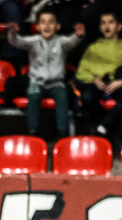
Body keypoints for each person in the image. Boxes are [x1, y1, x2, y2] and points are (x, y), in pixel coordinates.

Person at [8, 7, 85, 139]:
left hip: (57, 83)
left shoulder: (62, 42)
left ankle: (62, 132)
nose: (47, 26)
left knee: (63, 97)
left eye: (51, 22)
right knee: (33, 96)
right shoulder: (33, 41)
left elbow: (73, 40)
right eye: (43, 22)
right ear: (37, 26)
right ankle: (33, 131)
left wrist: (79, 35)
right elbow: (17, 41)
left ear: (57, 26)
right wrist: (13, 34)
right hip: (36, 82)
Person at [73, 9, 122, 133]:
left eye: (111, 22)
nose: (107, 26)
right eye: (103, 23)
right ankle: (106, 125)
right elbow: (81, 72)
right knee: (87, 97)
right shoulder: (93, 48)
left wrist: (119, 82)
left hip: (118, 84)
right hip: (98, 84)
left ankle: (104, 126)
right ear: (100, 27)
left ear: (119, 26)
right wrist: (94, 79)